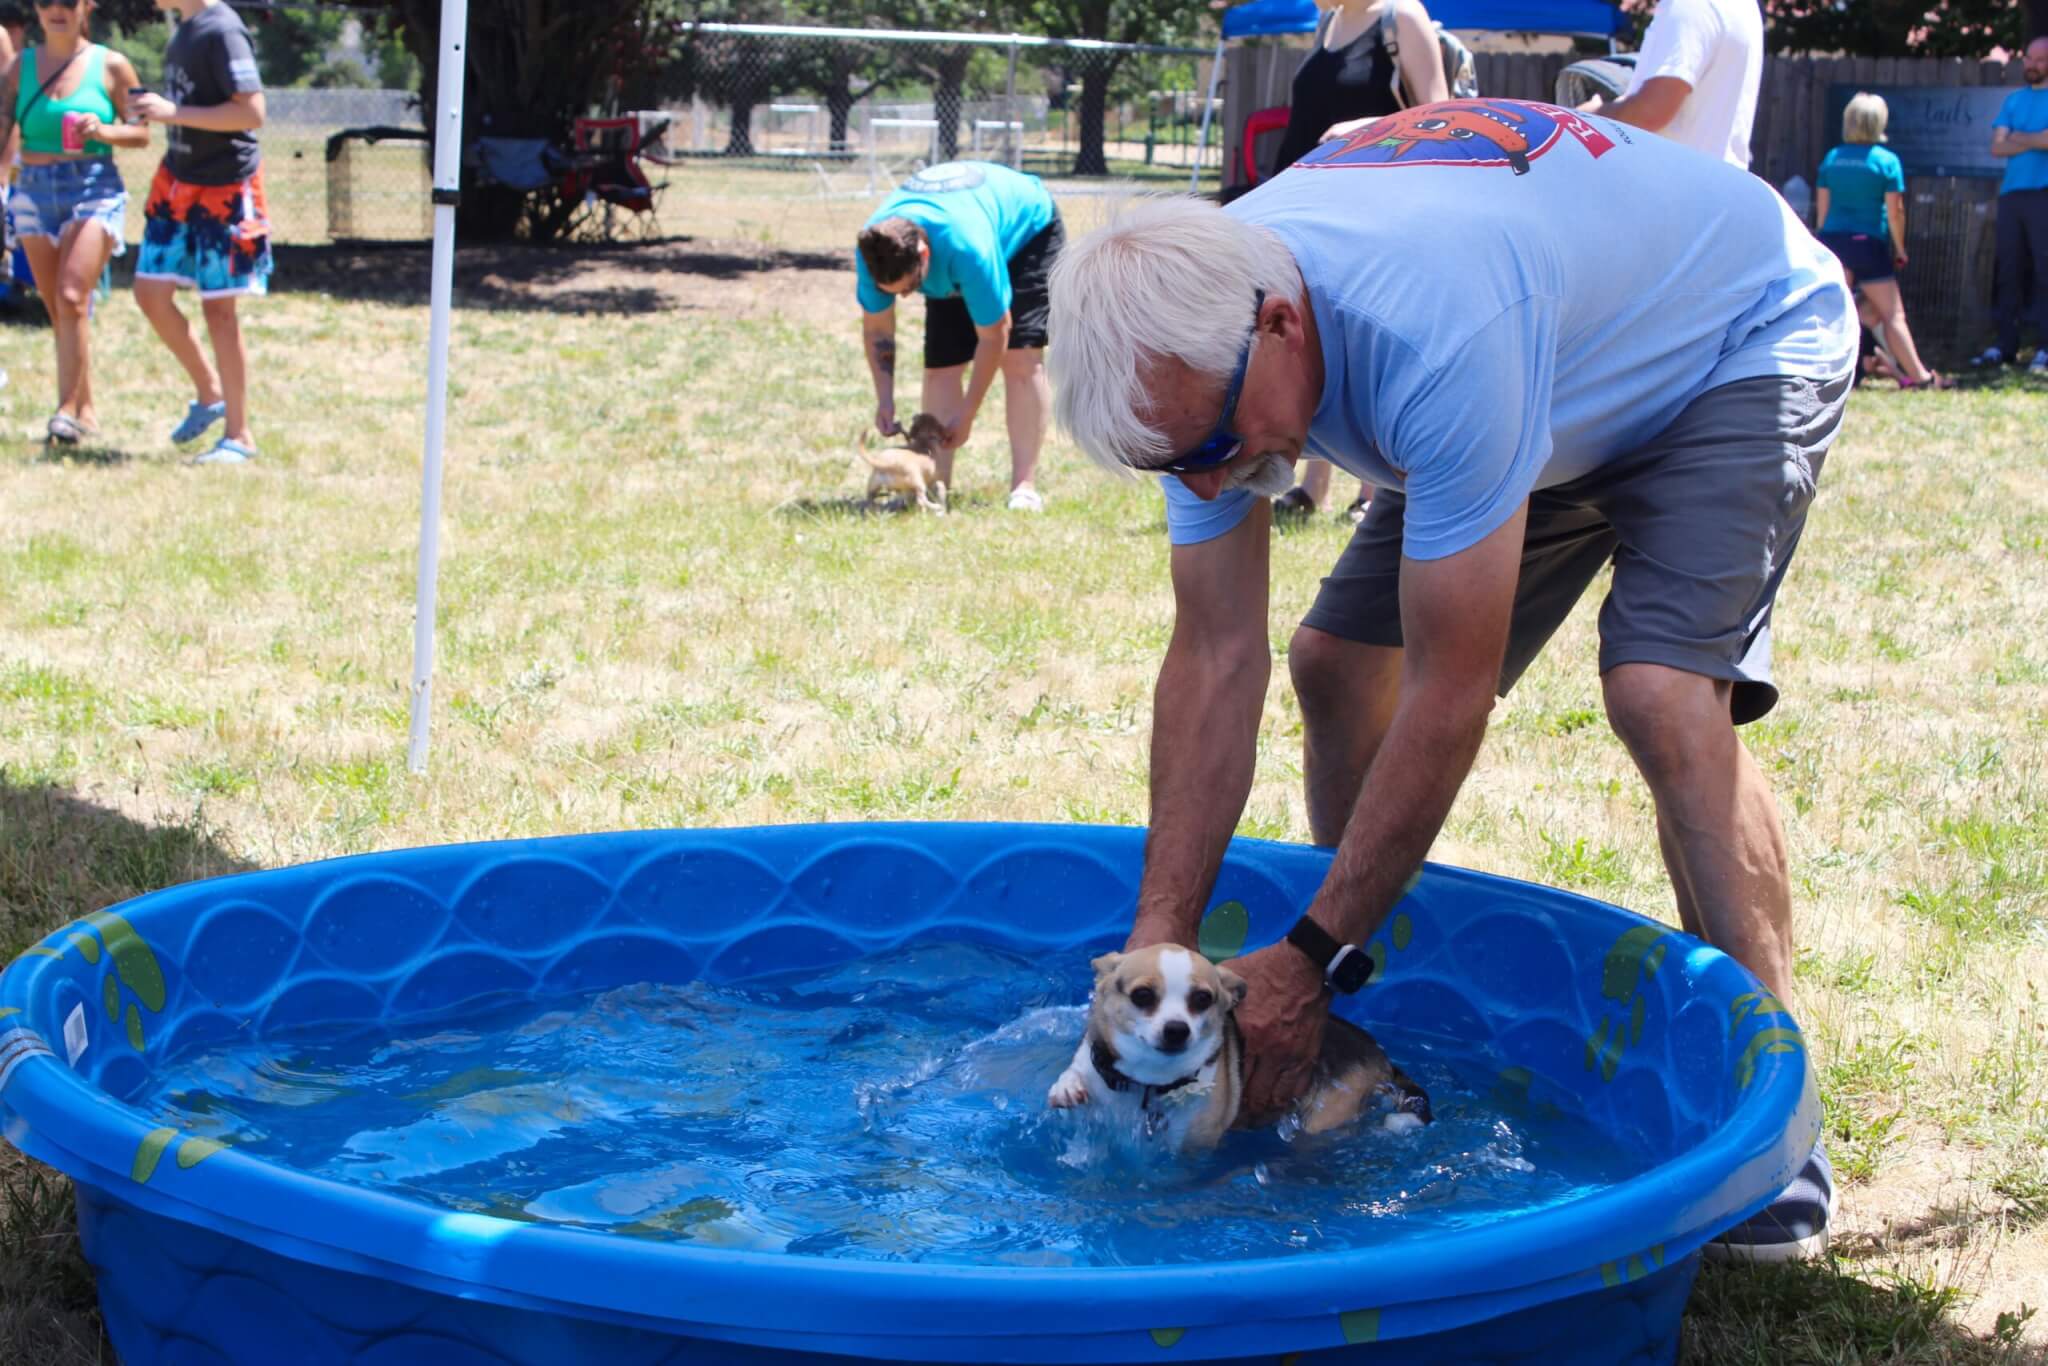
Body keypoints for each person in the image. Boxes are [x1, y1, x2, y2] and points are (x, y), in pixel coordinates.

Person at [1048, 99, 1853, 1261]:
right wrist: (1153, 942)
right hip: (1549, 368)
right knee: (1332, 663)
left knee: (1659, 695)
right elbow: (1215, 652)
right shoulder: (1189, 367)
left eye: (1214, 451)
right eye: (1176, 466)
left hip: (1727, 337)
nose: (1210, 482)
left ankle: (1777, 1118)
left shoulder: (1431, 327)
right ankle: (1358, 985)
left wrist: (1300, 959)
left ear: (1278, 325)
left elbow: (1449, 690)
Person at [1268, 0, 1449, 524]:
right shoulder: (1329, 23)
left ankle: (1371, 494)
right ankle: (1313, 485)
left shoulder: (1401, 18)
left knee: (1367, 347)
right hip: (1312, 215)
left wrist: (1367, 128)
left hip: (1375, 216)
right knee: (1321, 343)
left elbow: (1442, 115)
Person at [855, 160, 1061, 513]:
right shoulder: (873, 250)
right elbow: (877, 330)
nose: (904, 297)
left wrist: (967, 414)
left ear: (922, 254)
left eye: (910, 287)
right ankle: (936, 485)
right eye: (894, 291)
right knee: (941, 366)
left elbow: (995, 335)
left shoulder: (969, 249)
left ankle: (1024, 488)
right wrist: (884, 398)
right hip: (949, 248)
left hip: (1027, 232)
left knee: (1020, 357)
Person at [1, 0, 150, 445]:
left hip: (92, 186)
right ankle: (85, 409)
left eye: (68, 1)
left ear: (87, 6)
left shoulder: (113, 65)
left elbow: (142, 131)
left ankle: (65, 411)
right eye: (47, 2)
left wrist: (103, 131)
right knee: (58, 308)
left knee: (71, 295)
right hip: (33, 188)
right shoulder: (18, 68)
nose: (57, 10)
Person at [128, 0, 270, 464]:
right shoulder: (185, 29)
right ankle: (211, 394)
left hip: (224, 187)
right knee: (150, 292)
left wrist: (173, 112)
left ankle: (239, 435)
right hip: (179, 182)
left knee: (219, 311)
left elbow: (251, 112)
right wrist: (158, 113)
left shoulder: (221, 29)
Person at [1816, 92, 1946, 390]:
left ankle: (1829, 374)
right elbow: (1895, 211)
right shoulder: (1886, 162)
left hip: (1833, 242)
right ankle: (1920, 378)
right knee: (1892, 314)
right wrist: (1899, 248)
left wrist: (1824, 244)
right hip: (1868, 244)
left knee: (1839, 312)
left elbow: (1822, 209)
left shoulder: (1832, 158)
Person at [1578, 0, 1763, 169]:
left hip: (1679, 193)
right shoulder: (1743, 6)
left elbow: (1651, 111)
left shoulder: (1691, 6)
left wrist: (1591, 117)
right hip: (1718, 190)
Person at [1971, 35, 2048, 374]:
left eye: (2040, 60)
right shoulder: (2014, 100)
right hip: (2012, 195)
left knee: (2045, 272)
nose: (2032, 65)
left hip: (2043, 194)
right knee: (2008, 272)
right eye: (2029, 59)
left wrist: (2018, 137)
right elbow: (1997, 148)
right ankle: (2005, 345)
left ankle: (2045, 348)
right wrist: (2035, 140)